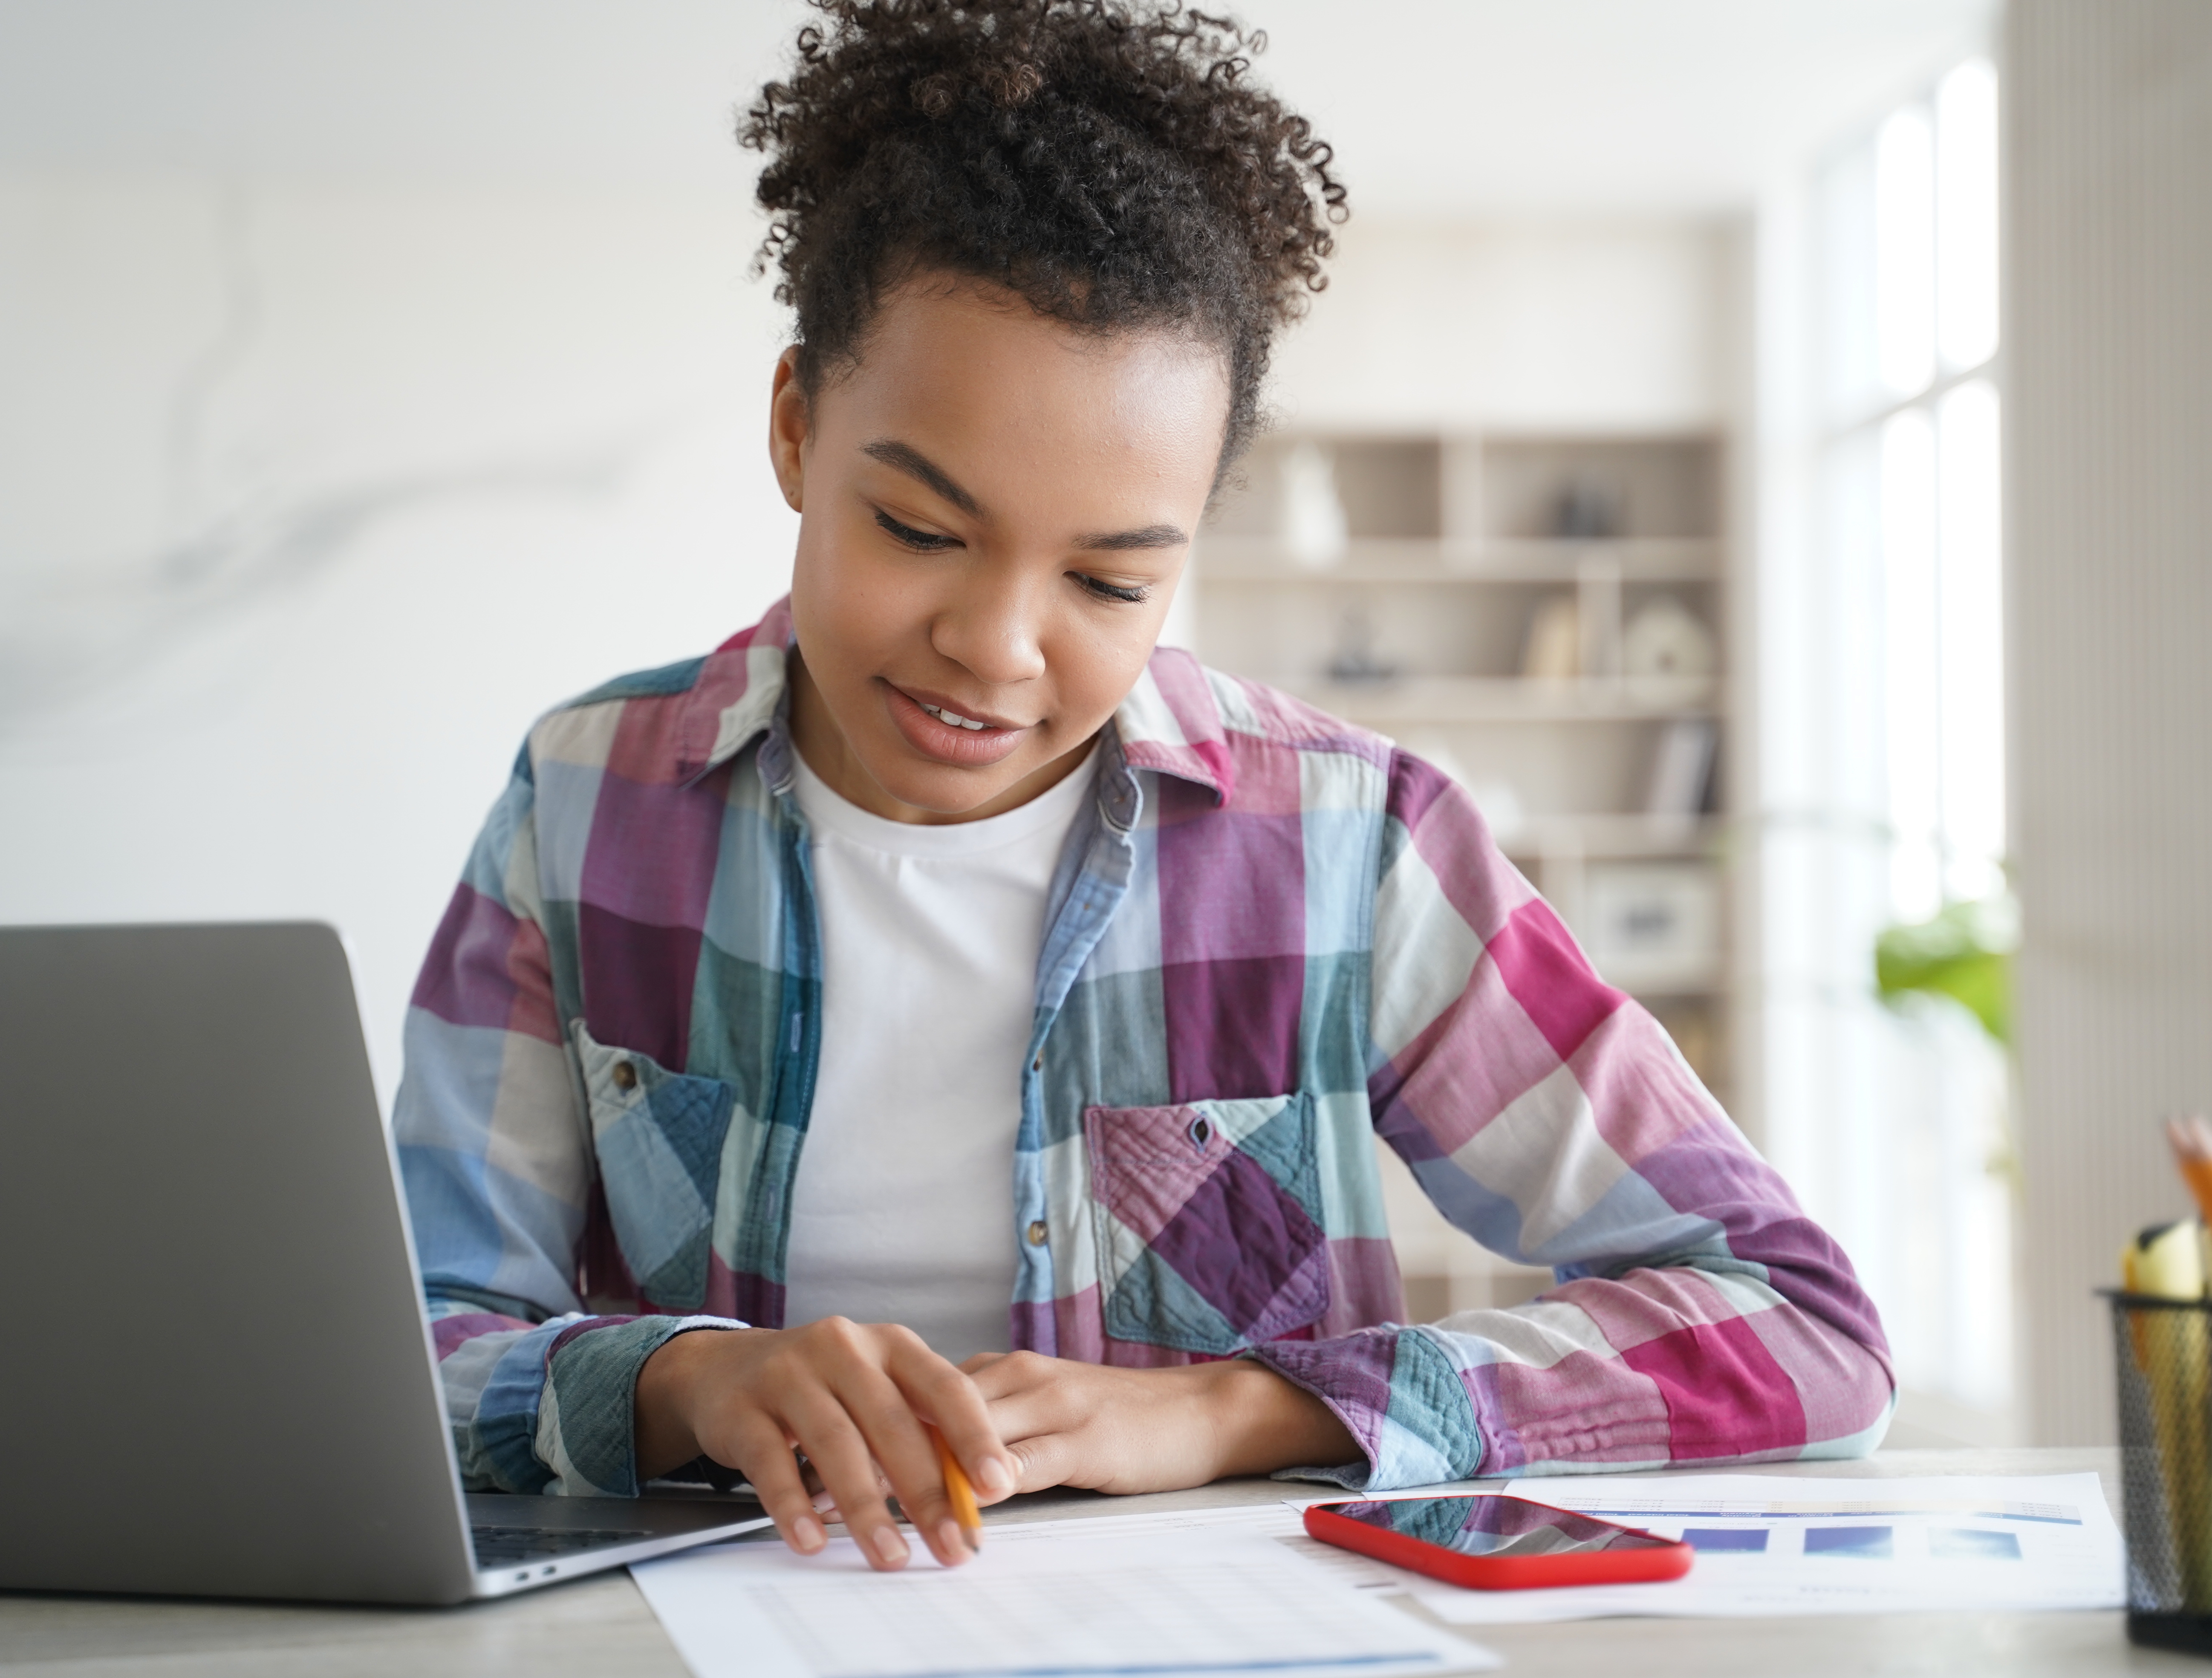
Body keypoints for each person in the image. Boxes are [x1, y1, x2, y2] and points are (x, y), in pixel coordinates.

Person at [395, 0, 1894, 1580]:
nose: (992, 646)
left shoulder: (1348, 842)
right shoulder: (586, 798)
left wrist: (1230, 1410)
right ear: (794, 427)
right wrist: (690, 1383)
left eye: (1109, 581)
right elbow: (411, 1338)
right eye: (916, 529)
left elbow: (1798, 1325)